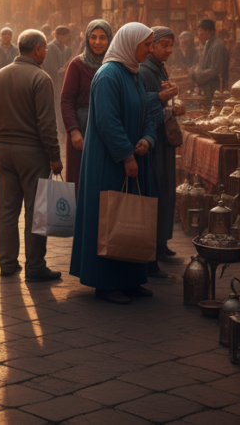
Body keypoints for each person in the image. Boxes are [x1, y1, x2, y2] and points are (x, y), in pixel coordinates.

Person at [71, 22, 162, 305]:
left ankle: (130, 279)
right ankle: (107, 282)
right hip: (109, 162)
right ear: (130, 43)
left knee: (131, 218)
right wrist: (126, 155)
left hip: (133, 157)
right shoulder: (108, 75)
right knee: (110, 216)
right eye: (146, 44)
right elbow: (107, 122)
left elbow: (147, 110)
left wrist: (148, 138)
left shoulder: (134, 73)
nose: (150, 49)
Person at [0, 30, 63, 282]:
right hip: (32, 153)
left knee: (7, 210)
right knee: (36, 210)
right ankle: (35, 266)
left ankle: (7, 263)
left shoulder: (0, 75)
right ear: (38, 48)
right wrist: (54, 155)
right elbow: (46, 123)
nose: (46, 53)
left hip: (6, 151)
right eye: (45, 50)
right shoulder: (41, 78)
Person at [139, 26, 185, 266]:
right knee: (157, 188)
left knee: (167, 188)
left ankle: (161, 242)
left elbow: (163, 102)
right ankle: (153, 247)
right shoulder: (145, 70)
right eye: (164, 44)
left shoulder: (159, 69)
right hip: (153, 139)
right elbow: (143, 104)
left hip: (163, 137)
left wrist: (174, 106)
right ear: (152, 45)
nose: (169, 49)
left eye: (171, 44)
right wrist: (164, 100)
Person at [60, 20, 112, 187]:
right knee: (80, 179)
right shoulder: (77, 64)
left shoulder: (114, 65)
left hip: (107, 130)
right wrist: (74, 131)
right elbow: (66, 100)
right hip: (81, 131)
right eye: (93, 37)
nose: (97, 42)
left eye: (103, 38)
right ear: (87, 40)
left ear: (110, 40)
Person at [190, 19, 229, 106]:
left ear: (209, 31)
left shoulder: (217, 46)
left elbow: (215, 69)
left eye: (200, 30)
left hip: (215, 90)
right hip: (208, 89)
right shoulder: (208, 44)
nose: (198, 34)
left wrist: (198, 74)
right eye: (198, 30)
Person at [42, 26, 74, 124]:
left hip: (64, 81)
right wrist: (59, 71)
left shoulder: (67, 49)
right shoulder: (49, 48)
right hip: (53, 81)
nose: (69, 38)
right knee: (55, 105)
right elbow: (47, 66)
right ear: (60, 36)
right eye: (67, 36)